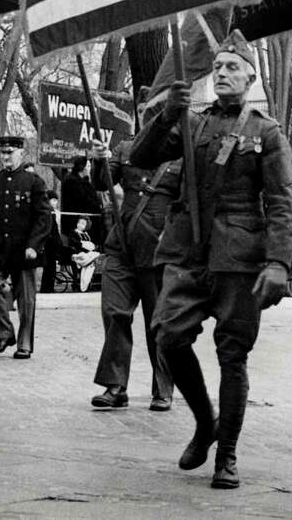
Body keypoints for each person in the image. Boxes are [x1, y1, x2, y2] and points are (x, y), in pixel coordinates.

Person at [130, 31, 292, 490]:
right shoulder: (192, 122)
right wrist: (167, 114)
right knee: (167, 336)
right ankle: (205, 422)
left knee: (233, 355)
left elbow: (283, 201)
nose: (222, 73)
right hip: (186, 252)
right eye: (218, 67)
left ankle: (226, 454)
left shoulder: (266, 132)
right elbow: (139, 157)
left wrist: (278, 263)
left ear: (250, 76)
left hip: (238, 257)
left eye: (232, 67)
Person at [87, 130, 178, 412]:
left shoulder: (182, 154)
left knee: (159, 323)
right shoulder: (126, 148)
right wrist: (99, 159)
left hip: (159, 252)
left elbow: (190, 203)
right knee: (114, 313)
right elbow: (102, 182)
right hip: (122, 247)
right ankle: (115, 386)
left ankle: (163, 388)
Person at [0, 135, 51, 359]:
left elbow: (43, 217)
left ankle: (25, 344)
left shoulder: (34, 182)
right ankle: (4, 333)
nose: (6, 156)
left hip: (24, 249)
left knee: (26, 300)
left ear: (22, 153)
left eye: (11, 152)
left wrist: (34, 245)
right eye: (3, 152)